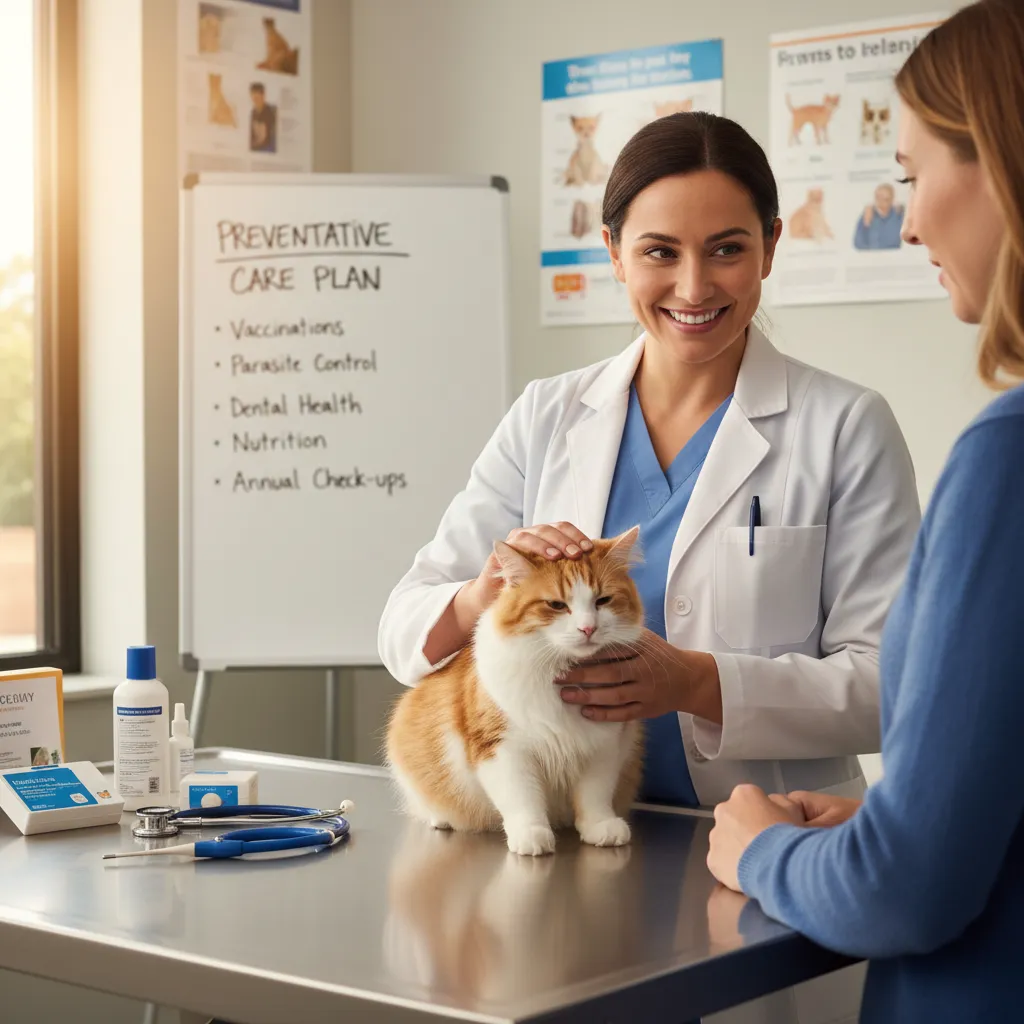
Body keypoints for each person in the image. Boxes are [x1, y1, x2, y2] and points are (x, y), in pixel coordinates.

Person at [379, 111, 921, 1023]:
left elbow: (890, 685)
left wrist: (697, 682)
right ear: (614, 253)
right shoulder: (548, 416)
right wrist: (487, 589)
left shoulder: (845, 427)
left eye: (728, 249)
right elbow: (405, 625)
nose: (694, 286)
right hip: (569, 863)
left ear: (772, 246)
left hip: (765, 861)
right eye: (660, 252)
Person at [707, 3, 1024, 1021]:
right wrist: (880, 822)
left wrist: (763, 850)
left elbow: (905, 888)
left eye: (911, 174)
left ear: (1001, 162)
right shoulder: (551, 410)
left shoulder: (1005, 458)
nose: (912, 221)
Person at [852, 184, 904, 250]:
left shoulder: (899, 215)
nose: (881, 201)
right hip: (872, 255)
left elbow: (900, 241)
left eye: (886, 199)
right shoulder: (867, 215)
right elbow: (858, 242)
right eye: (879, 197)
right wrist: (866, 224)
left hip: (895, 254)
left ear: (892, 198)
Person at [249, 82, 277, 153]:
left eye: (258, 96)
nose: (255, 99)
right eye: (253, 96)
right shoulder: (252, 113)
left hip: (267, 150)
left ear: (263, 95)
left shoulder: (272, 112)